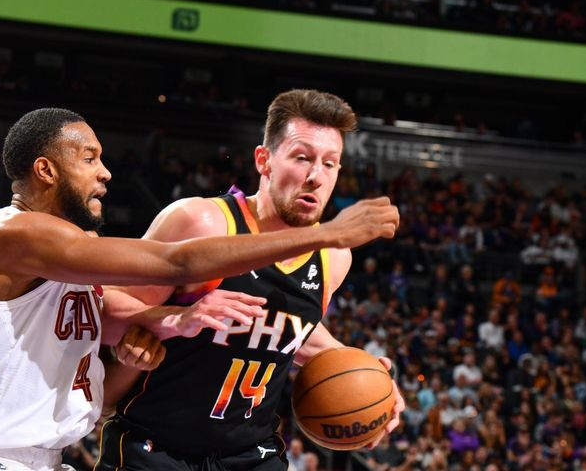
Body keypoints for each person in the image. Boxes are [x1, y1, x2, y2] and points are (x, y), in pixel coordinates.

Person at [0, 107, 399, 471]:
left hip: (48, 458)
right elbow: (176, 263)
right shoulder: (12, 235)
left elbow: (110, 372)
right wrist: (328, 232)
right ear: (46, 171)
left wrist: (162, 321)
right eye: (90, 159)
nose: (106, 172)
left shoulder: (75, 256)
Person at [97, 90, 405, 470]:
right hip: (156, 447)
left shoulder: (334, 259)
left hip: (249, 455)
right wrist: (173, 319)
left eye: (330, 164)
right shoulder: (202, 222)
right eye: (302, 158)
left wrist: (372, 378)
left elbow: (293, 328)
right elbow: (107, 314)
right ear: (264, 160)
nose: (315, 176)